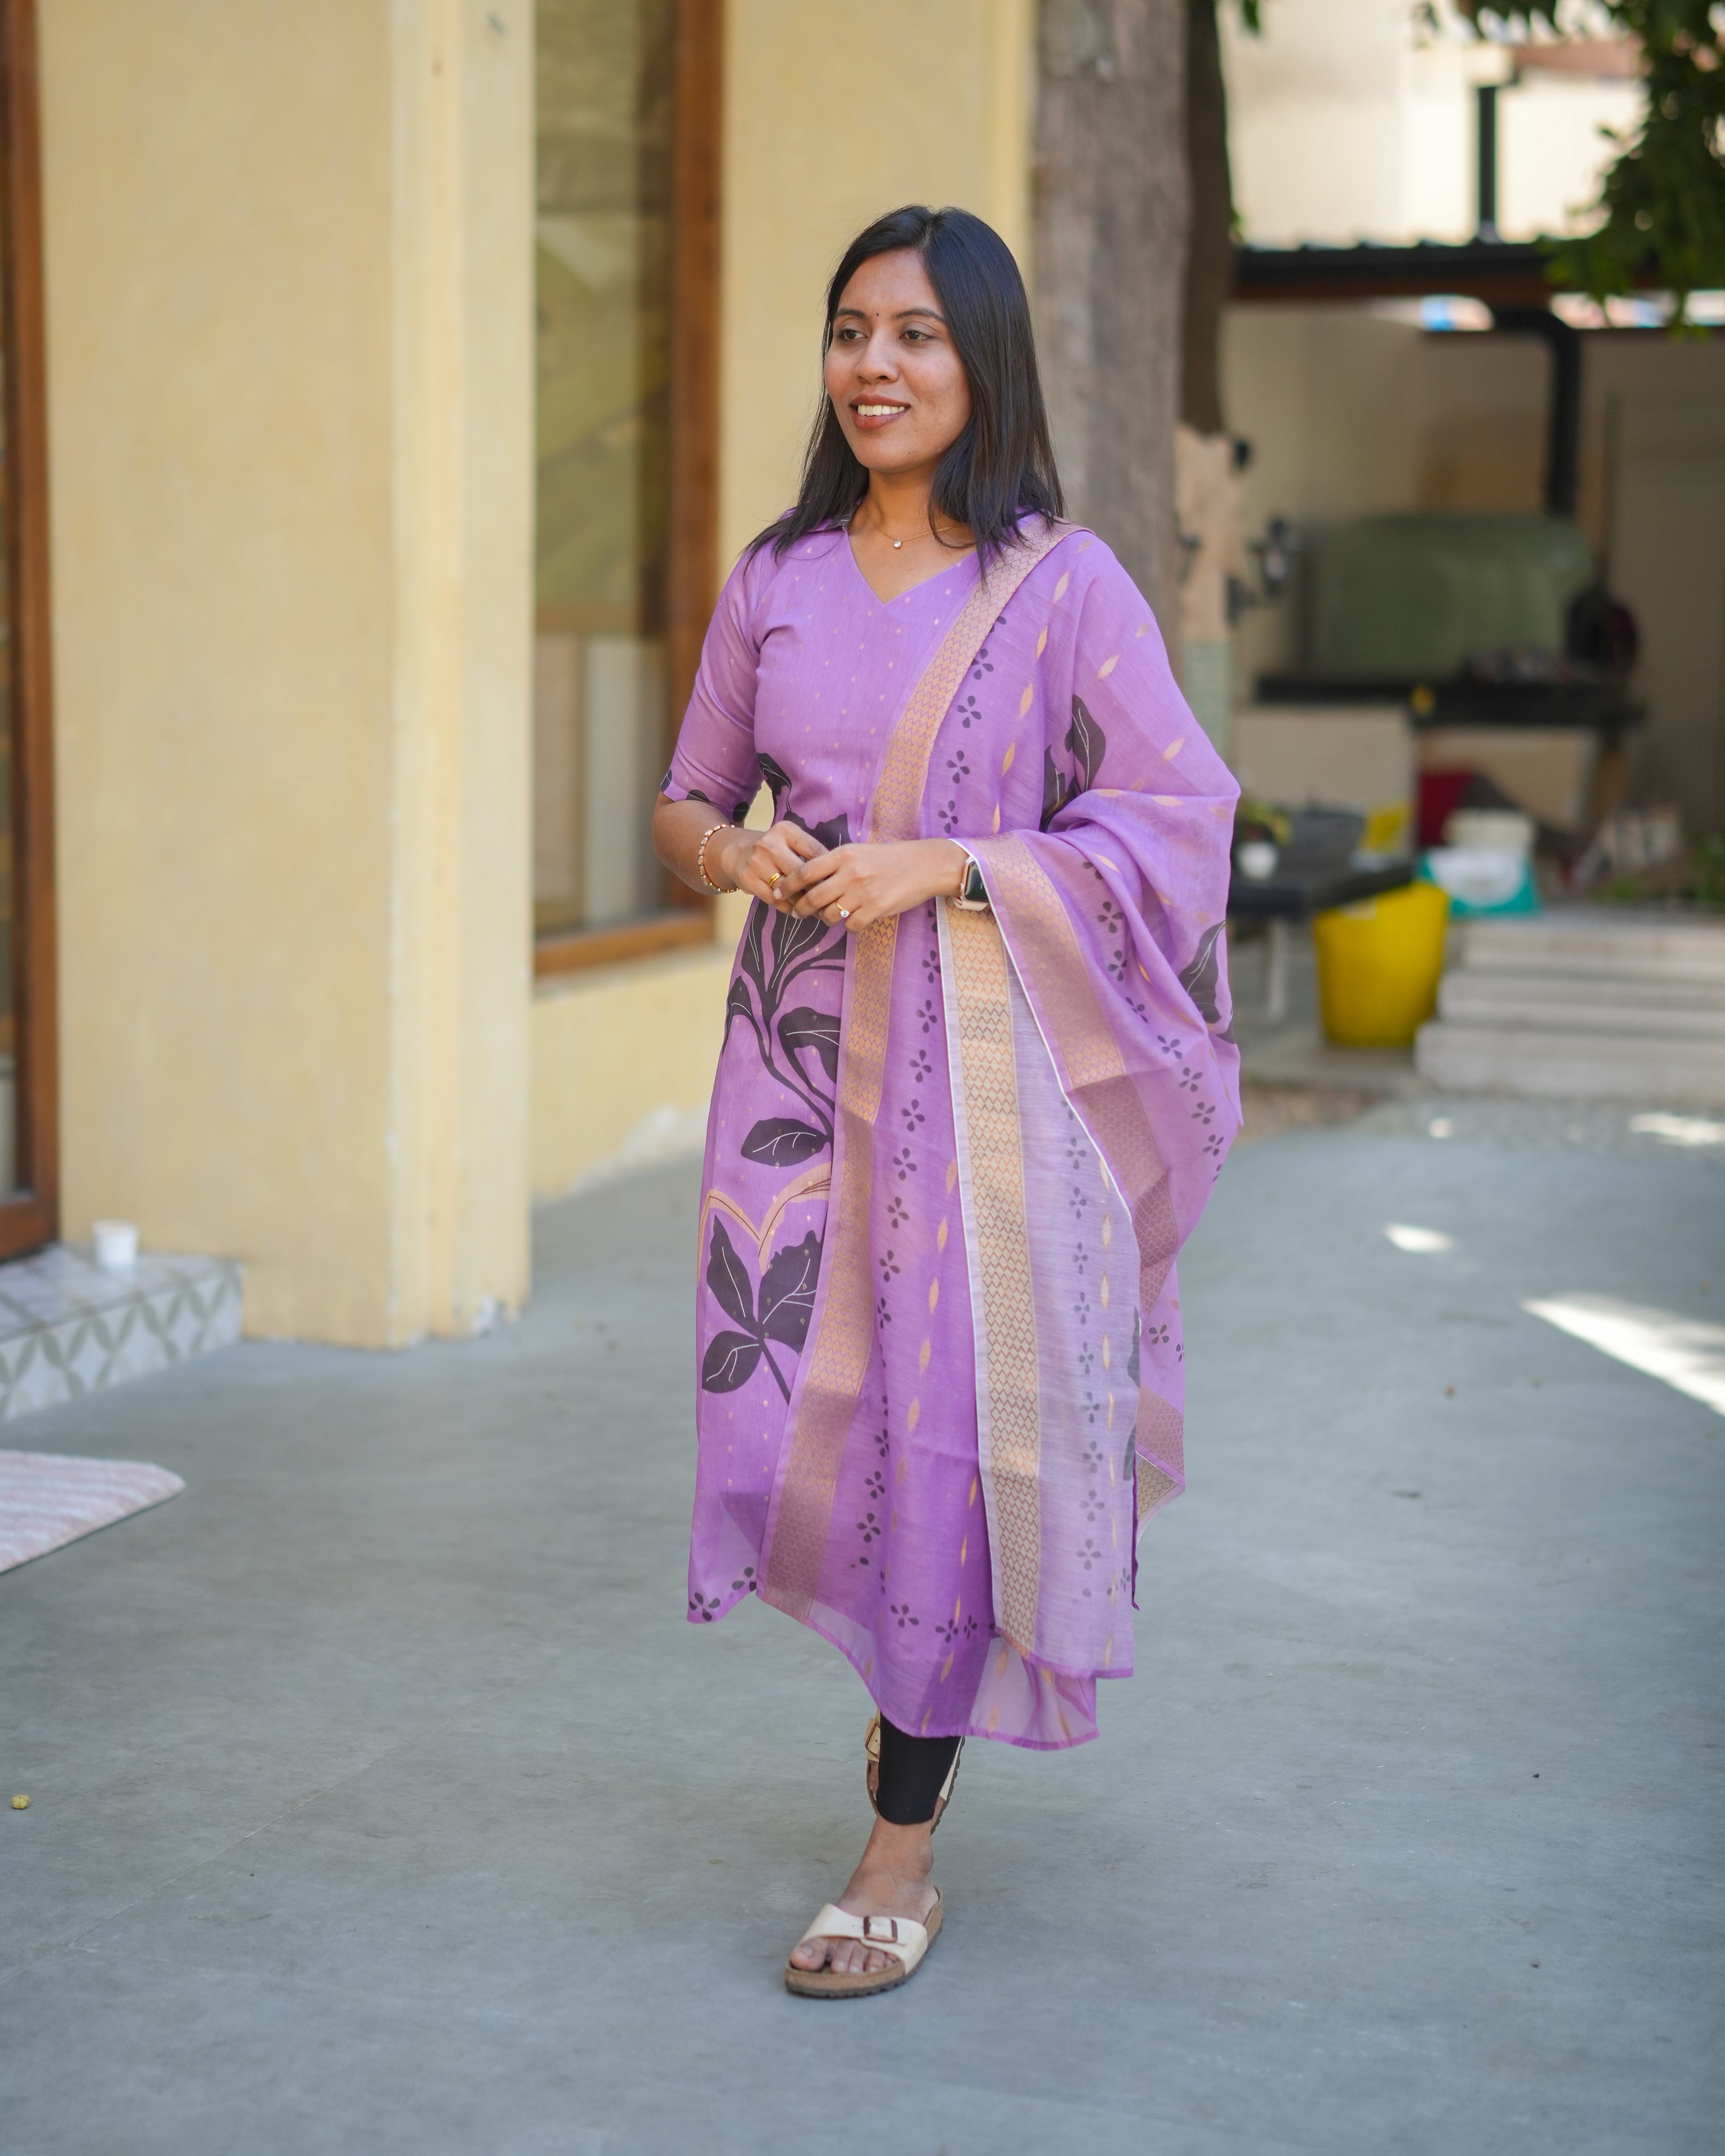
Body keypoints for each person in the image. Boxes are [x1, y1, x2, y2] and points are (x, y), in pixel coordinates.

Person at [652, 204, 1241, 1998]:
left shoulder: (1063, 586)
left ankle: (898, 1846)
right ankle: (906, 1718)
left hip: (991, 1098)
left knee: (948, 1446)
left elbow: (1175, 817)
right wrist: (735, 851)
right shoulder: (779, 577)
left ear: (979, 361)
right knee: (785, 1431)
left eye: (914, 333)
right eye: (850, 331)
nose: (875, 367)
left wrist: (955, 867)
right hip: (799, 1072)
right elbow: (683, 804)